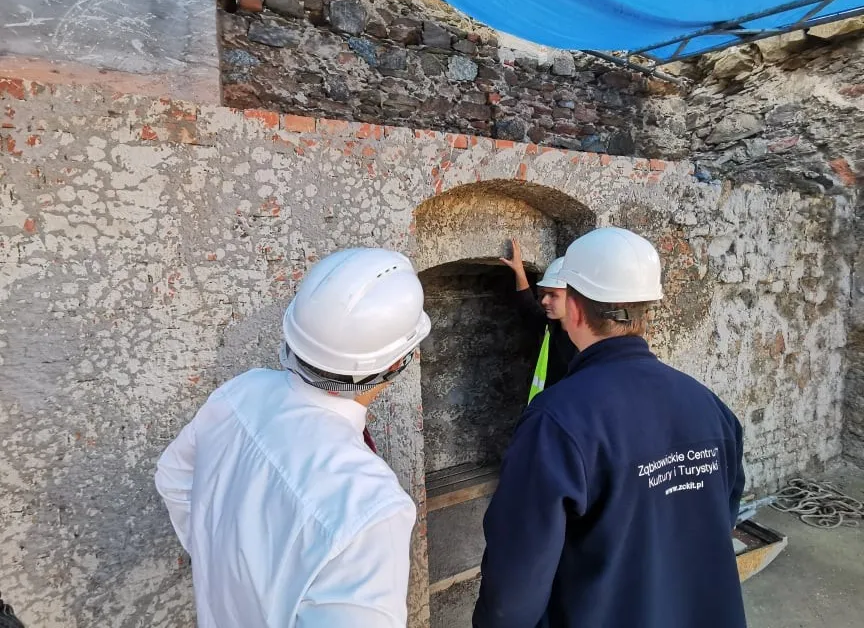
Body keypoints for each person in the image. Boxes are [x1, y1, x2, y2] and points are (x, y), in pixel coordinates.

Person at [474, 227, 746, 628]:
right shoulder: (709, 406)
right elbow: (720, 517)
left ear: (575, 309)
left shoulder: (555, 422)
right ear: (645, 310)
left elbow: (515, 588)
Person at [155, 247, 431, 628]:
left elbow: (172, 477)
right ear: (399, 362)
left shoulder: (239, 395)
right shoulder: (371, 507)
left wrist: (221, 562)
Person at [500, 239, 576, 401]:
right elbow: (528, 309)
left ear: (574, 297)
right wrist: (519, 271)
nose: (544, 301)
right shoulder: (552, 327)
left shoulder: (589, 344)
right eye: (544, 294)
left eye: (553, 295)